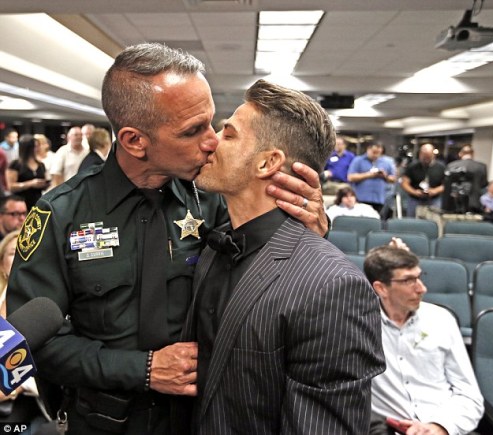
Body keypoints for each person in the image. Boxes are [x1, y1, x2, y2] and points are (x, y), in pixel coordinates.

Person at [7, 43, 329, 435]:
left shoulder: (214, 198)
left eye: (212, 123)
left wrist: (305, 237)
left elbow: (269, 289)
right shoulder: (59, 214)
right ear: (134, 141)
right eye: (192, 131)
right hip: (105, 422)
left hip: (205, 418)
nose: (212, 141)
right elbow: (34, 344)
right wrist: (143, 370)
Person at [180, 79, 385, 434]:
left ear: (267, 163)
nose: (211, 141)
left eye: (228, 134)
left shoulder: (332, 287)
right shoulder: (218, 247)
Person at [363, 244, 484, 435]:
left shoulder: (442, 319)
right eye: (408, 280)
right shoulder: (359, 325)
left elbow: (469, 396)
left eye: (419, 277)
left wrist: (439, 427)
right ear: (381, 288)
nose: (422, 288)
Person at [0, 230, 57, 434]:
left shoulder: (47, 308)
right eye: (13, 253)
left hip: (37, 403)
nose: (19, 261)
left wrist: (17, 388)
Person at [347, 142, 396, 213]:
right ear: (368, 149)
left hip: (379, 199)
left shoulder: (387, 162)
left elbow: (393, 179)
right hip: (361, 198)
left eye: (379, 153)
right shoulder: (358, 160)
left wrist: (385, 176)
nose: (376, 155)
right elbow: (350, 177)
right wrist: (370, 175)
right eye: (374, 152)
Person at [401, 143, 446, 217]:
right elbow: (404, 183)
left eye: (428, 157)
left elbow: (445, 185)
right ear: (420, 154)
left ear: (433, 155)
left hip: (434, 200)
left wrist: (435, 191)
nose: (426, 160)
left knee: (434, 221)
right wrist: (414, 192)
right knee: (412, 221)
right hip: (415, 199)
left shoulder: (441, 167)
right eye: (424, 157)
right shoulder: (412, 166)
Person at [6, 134, 50, 210]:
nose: (38, 148)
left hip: (37, 203)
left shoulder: (41, 165)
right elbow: (11, 187)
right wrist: (30, 184)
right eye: (35, 146)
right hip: (20, 203)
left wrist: (44, 184)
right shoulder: (15, 164)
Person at [445, 144, 488, 213]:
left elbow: (446, 186)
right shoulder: (481, 167)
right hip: (474, 204)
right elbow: (483, 184)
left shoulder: (451, 165)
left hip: (454, 204)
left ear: (460, 154)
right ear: (472, 154)